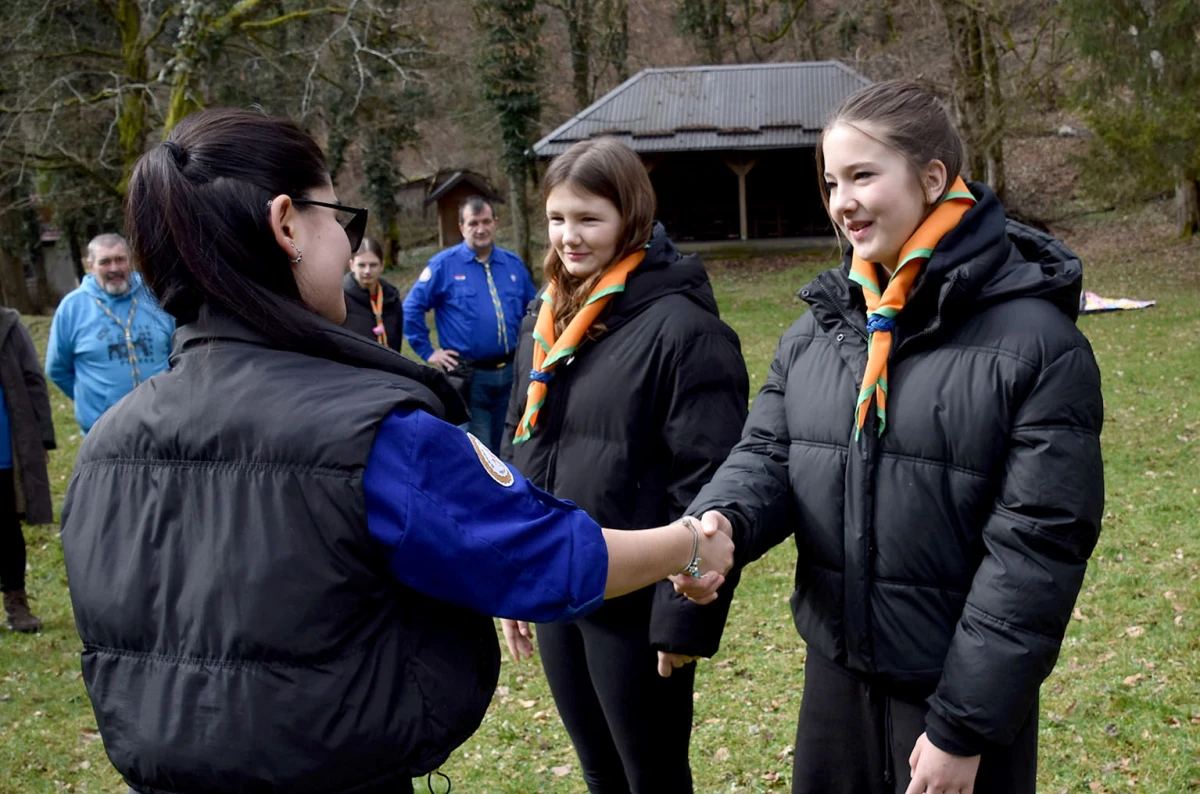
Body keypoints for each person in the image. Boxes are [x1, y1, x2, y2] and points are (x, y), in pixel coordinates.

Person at [58, 108, 733, 794]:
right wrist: (688, 546)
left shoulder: (105, 451)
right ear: (287, 223)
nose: (350, 244)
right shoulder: (374, 435)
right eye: (339, 219)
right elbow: (548, 554)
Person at [673, 80, 1104, 794]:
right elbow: (769, 457)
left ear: (932, 179)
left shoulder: (1040, 346)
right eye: (832, 180)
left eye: (864, 175)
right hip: (836, 681)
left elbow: (1036, 551)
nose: (842, 201)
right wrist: (722, 521)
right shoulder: (820, 328)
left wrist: (962, 725)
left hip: (953, 703)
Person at [497, 137, 750, 794]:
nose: (569, 237)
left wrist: (683, 617)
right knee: (599, 772)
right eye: (557, 218)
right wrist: (512, 575)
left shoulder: (684, 330)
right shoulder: (543, 316)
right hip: (557, 584)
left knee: (653, 777)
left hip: (637, 600)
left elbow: (710, 482)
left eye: (589, 219)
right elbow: (517, 451)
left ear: (632, 217)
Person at [402, 196, 537, 451]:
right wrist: (429, 352)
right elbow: (411, 309)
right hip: (470, 378)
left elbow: (534, 312)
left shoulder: (513, 264)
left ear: (495, 223)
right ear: (462, 227)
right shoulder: (444, 265)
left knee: (510, 443)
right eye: (473, 223)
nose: (481, 228)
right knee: (480, 448)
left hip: (512, 374)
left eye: (486, 221)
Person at [45, 233, 175, 434]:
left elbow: (178, 353)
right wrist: (90, 399)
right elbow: (57, 369)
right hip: (103, 431)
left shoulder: (155, 297)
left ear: (130, 262)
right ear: (90, 266)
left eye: (120, 260)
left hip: (163, 423)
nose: (114, 268)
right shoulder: (72, 308)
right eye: (105, 262)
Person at [0, 308, 56, 633]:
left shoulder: (9, 325)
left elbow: (34, 379)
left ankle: (16, 602)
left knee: (6, 530)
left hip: (6, 451)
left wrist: (43, 437)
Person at [342, 237, 404, 351]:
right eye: (362, 265)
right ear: (351, 265)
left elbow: (397, 341)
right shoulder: (340, 298)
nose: (367, 271)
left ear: (382, 265)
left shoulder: (392, 298)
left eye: (373, 265)